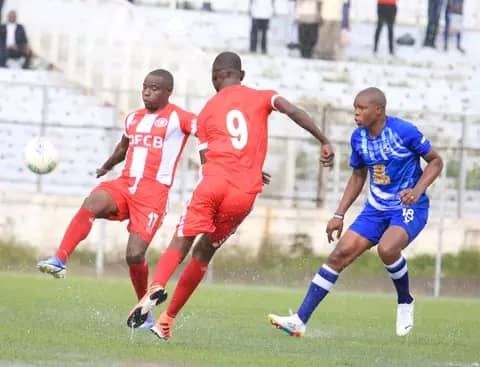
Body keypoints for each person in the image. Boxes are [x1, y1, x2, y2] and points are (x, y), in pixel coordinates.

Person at [126, 51, 335, 340]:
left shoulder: (208, 110)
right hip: (244, 193)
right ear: (242, 75)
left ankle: (156, 285)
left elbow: (207, 156)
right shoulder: (264, 96)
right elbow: (293, 111)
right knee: (204, 251)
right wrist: (323, 140)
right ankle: (167, 320)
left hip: (214, 182)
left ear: (215, 79)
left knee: (183, 237)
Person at [268, 87, 443, 337]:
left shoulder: (403, 131)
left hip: (408, 206)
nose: (356, 114)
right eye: (355, 109)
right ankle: (299, 321)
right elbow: (358, 175)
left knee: (387, 248)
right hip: (375, 209)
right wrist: (339, 214)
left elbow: (436, 161)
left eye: (361, 109)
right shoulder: (358, 138)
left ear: (378, 110)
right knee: (339, 255)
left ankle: (405, 300)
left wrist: (417, 189)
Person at [37, 69, 197, 329]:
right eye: (145, 86)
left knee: (134, 255)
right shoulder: (133, 118)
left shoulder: (180, 118)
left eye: (154, 88)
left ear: (168, 92)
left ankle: (143, 309)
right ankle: (60, 259)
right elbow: (124, 147)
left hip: (153, 193)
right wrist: (106, 166)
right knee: (92, 202)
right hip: (124, 184)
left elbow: (210, 133)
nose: (147, 91)